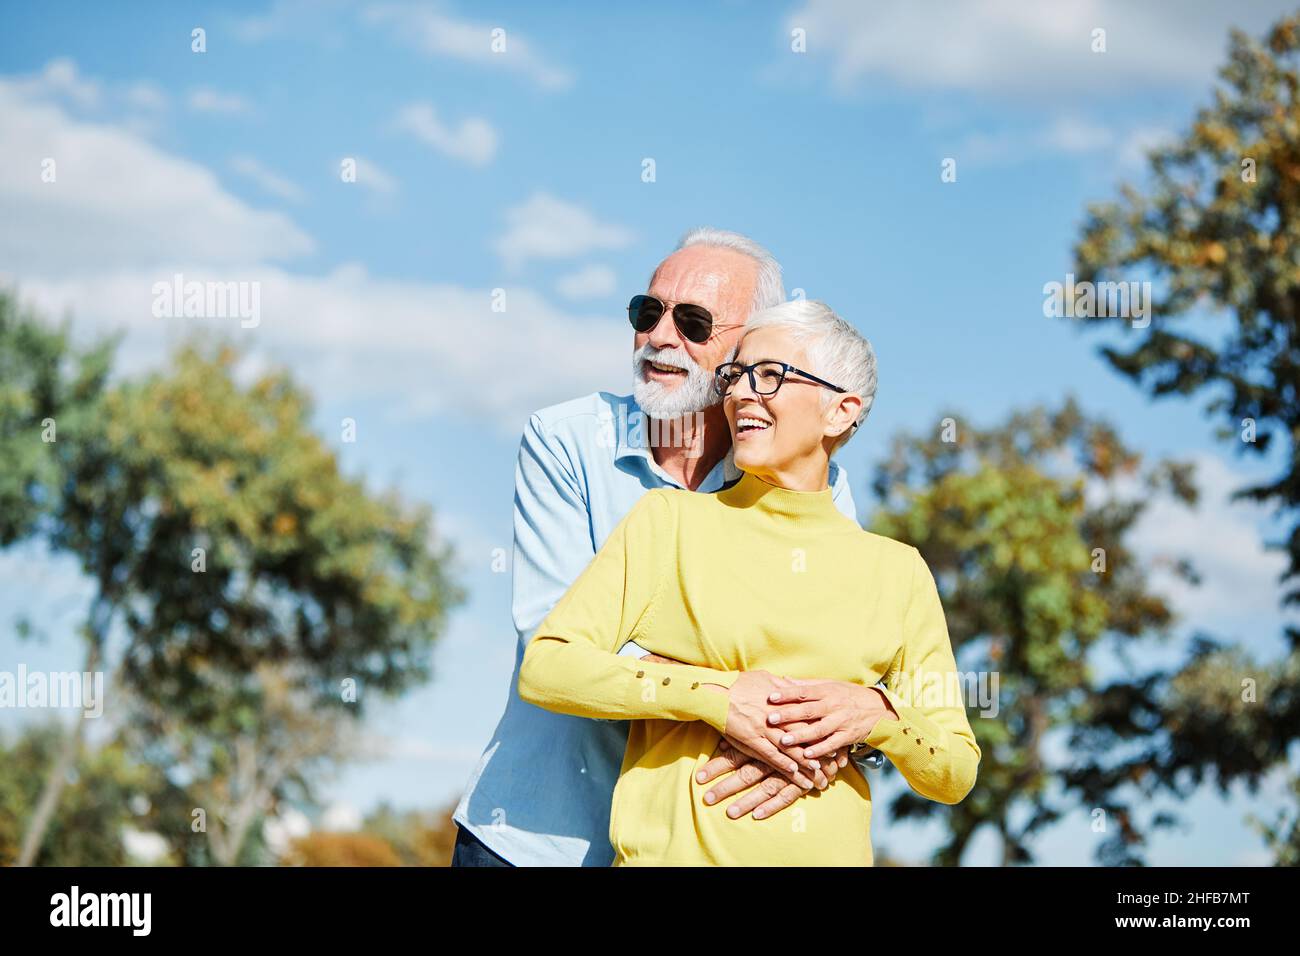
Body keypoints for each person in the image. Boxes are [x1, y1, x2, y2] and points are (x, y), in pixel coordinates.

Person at [451, 229, 869, 867]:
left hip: (694, 845)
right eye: (648, 313)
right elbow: (556, 648)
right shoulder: (565, 440)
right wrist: (732, 696)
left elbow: (838, 664)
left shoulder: (816, 485)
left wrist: (863, 707)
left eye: (694, 322)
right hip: (532, 839)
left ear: (751, 348)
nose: (660, 337)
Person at [517, 300, 981, 865]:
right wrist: (715, 697)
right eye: (735, 375)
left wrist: (875, 715)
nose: (739, 394)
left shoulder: (898, 571)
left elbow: (955, 769)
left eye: (770, 376)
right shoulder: (669, 524)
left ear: (841, 411)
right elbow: (548, 667)